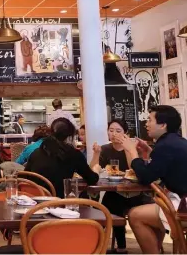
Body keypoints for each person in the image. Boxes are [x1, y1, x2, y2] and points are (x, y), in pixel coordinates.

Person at [119, 106, 187, 254]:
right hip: (181, 199)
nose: (146, 123)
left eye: (150, 119)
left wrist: (132, 151)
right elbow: (161, 167)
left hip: (184, 204)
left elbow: (146, 177)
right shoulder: (175, 142)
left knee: (135, 215)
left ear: (163, 125)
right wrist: (149, 152)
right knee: (148, 212)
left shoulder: (165, 146)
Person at [89, 120, 146, 254]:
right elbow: (93, 170)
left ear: (125, 133)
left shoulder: (134, 148)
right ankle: (109, 246)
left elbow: (134, 168)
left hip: (136, 192)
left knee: (117, 202)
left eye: (118, 131)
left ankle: (122, 246)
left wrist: (128, 148)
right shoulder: (105, 149)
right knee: (106, 206)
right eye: (111, 130)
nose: (114, 134)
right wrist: (96, 153)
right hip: (115, 191)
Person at [25, 117, 99, 198]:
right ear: (69, 137)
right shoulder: (73, 154)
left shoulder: (36, 152)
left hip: (35, 204)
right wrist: (97, 170)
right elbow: (92, 179)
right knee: (85, 196)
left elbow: (24, 177)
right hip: (60, 204)